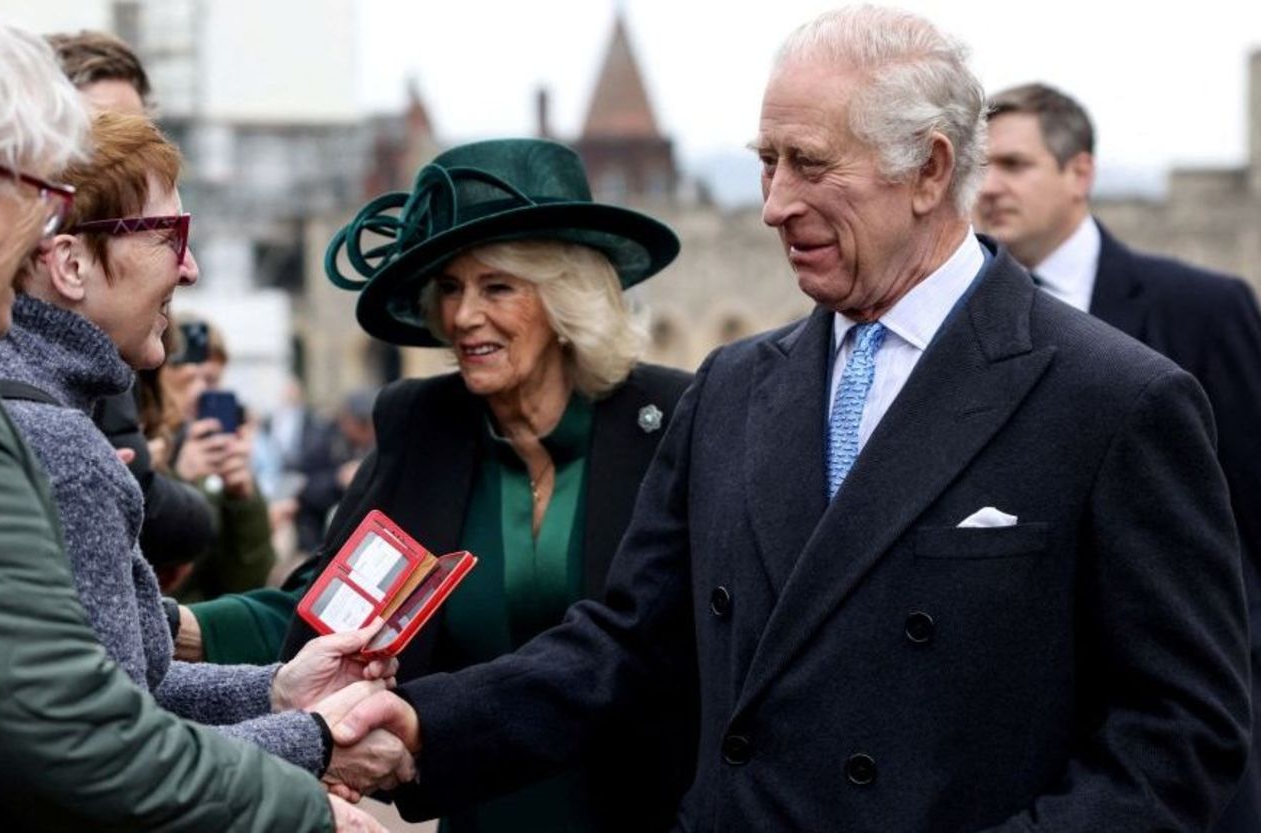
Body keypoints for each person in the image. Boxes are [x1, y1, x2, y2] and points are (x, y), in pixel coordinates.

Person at [336, 8, 1251, 831]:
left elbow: (1182, 731)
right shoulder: (733, 387)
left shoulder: (1112, 399)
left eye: (810, 164)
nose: (774, 205)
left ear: (929, 169)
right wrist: (425, 723)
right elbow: (627, 642)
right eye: (766, 163)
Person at [0, 1, 378, 830]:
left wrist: (275, 698)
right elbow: (70, 740)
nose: (44, 229)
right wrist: (304, 795)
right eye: (36, 192)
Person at [198, 137, 696, 832]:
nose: (464, 316)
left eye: (497, 286)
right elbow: (330, 616)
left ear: (564, 299)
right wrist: (176, 630)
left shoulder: (673, 421)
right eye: (451, 288)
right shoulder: (424, 427)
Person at [0, 109, 410, 799]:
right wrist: (318, 741)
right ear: (71, 263)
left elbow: (135, 688)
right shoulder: (61, 444)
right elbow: (110, 755)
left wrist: (280, 689)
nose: (191, 268)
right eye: (171, 235)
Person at [978, 81, 1261, 832]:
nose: (989, 186)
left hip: (1176, 716)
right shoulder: (943, 328)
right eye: (978, 165)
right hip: (1005, 731)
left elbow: (1252, 509)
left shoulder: (1202, 309)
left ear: (1080, 173)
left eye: (1013, 163)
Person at [48, 29, 218, 580]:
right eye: (94, 135)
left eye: (133, 132)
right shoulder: (54, 362)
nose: (187, 268)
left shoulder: (135, 330)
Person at [163, 315, 281, 601]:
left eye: (212, 380)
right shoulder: (140, 445)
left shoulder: (210, 453)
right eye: (190, 378)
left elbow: (247, 582)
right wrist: (179, 482)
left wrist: (244, 500)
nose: (200, 391)